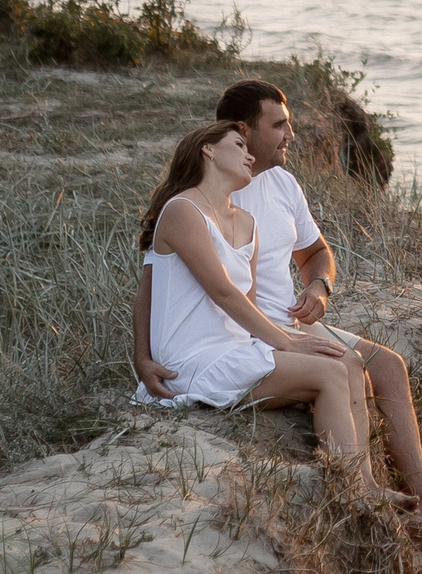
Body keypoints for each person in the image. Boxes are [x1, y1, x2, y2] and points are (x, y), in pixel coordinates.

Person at [135, 79, 422, 547]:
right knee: (346, 369)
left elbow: (316, 253)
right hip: (248, 332)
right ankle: (363, 494)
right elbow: (168, 284)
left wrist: (319, 288)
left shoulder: (276, 187)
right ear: (237, 134)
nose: (290, 135)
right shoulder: (205, 200)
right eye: (278, 125)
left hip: (283, 322)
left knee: (385, 364)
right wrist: (143, 358)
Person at [133, 119, 396, 502]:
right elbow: (222, 292)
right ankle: (352, 492)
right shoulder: (183, 210)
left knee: (349, 362)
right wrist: (290, 343)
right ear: (208, 150)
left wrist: (287, 341)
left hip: (236, 348)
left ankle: (369, 485)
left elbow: (248, 303)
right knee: (328, 373)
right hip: (193, 359)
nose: (250, 154)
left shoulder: (247, 223)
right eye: (239, 145)